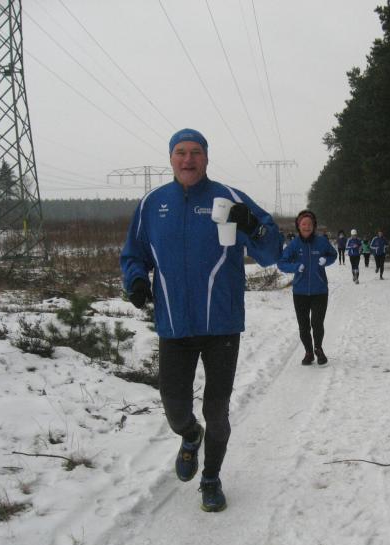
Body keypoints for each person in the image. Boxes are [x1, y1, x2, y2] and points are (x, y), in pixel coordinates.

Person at [120, 128, 282, 513]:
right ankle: (190, 436)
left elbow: (271, 251)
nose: (188, 159)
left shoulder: (229, 198)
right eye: (181, 152)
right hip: (174, 324)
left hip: (221, 325)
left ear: (206, 158)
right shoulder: (153, 204)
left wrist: (252, 225)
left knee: (217, 411)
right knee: (175, 408)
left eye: (195, 152)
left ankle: (211, 479)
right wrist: (136, 280)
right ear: (171, 158)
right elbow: (133, 254)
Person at [277, 210, 338, 366]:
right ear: (298, 226)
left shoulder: (322, 242)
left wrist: (326, 260)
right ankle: (308, 352)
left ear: (314, 226)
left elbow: (333, 254)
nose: (307, 227)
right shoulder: (294, 244)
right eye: (303, 224)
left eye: (309, 224)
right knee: (304, 326)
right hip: (300, 292)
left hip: (320, 290)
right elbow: (281, 263)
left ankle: (318, 349)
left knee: (317, 323)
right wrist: (295, 267)